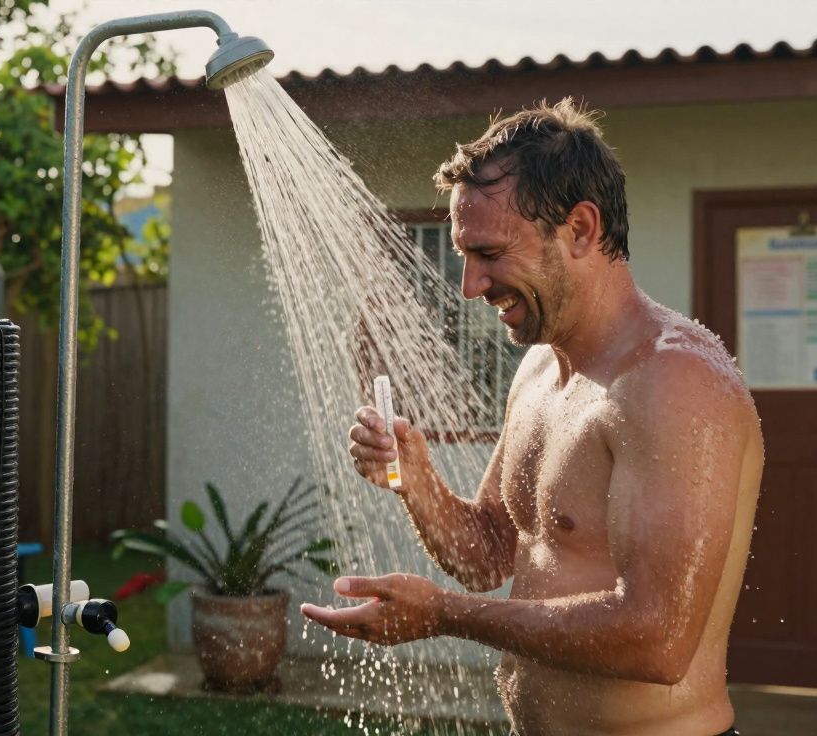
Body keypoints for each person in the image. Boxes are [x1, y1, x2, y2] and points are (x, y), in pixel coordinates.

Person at [300, 99, 764, 736]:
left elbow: (657, 641)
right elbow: (490, 554)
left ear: (580, 229)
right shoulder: (541, 369)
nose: (470, 285)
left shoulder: (672, 382)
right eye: (464, 255)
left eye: (489, 253)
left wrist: (443, 615)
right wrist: (414, 478)